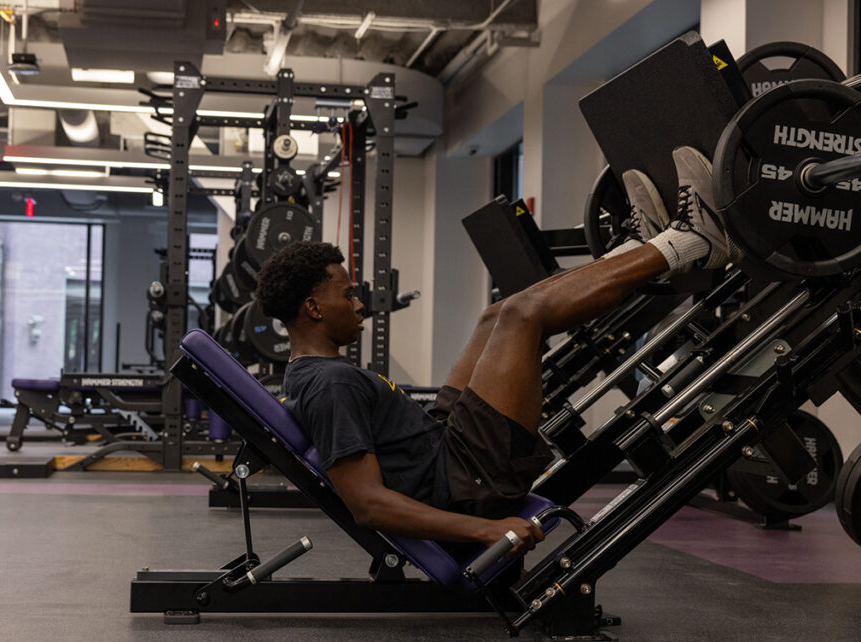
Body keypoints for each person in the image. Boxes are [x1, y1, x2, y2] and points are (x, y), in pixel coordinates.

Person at [254, 147, 739, 556]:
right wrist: (485, 529)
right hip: (469, 480)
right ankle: (690, 242)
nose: (360, 304)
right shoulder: (330, 385)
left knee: (497, 313)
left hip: (447, 445)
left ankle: (639, 251)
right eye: (348, 295)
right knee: (523, 316)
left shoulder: (313, 373)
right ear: (314, 309)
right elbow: (368, 505)